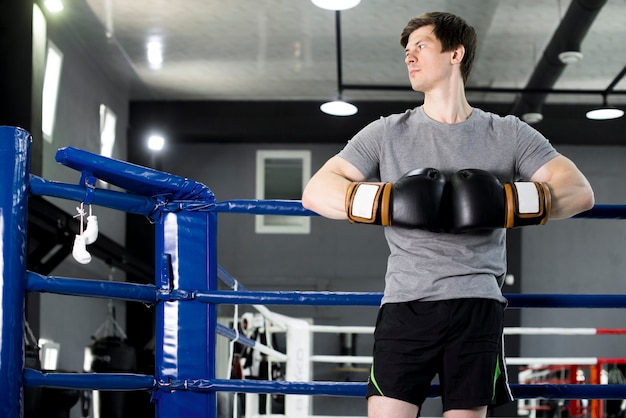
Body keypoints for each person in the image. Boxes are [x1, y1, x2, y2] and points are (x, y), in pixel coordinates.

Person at [301, 11, 595, 418]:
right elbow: (316, 192)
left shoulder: (507, 133)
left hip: (477, 305)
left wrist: (503, 203)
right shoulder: (388, 132)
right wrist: (389, 201)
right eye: (407, 50)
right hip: (406, 303)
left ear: (456, 53)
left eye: (420, 46)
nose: (410, 57)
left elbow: (579, 192)